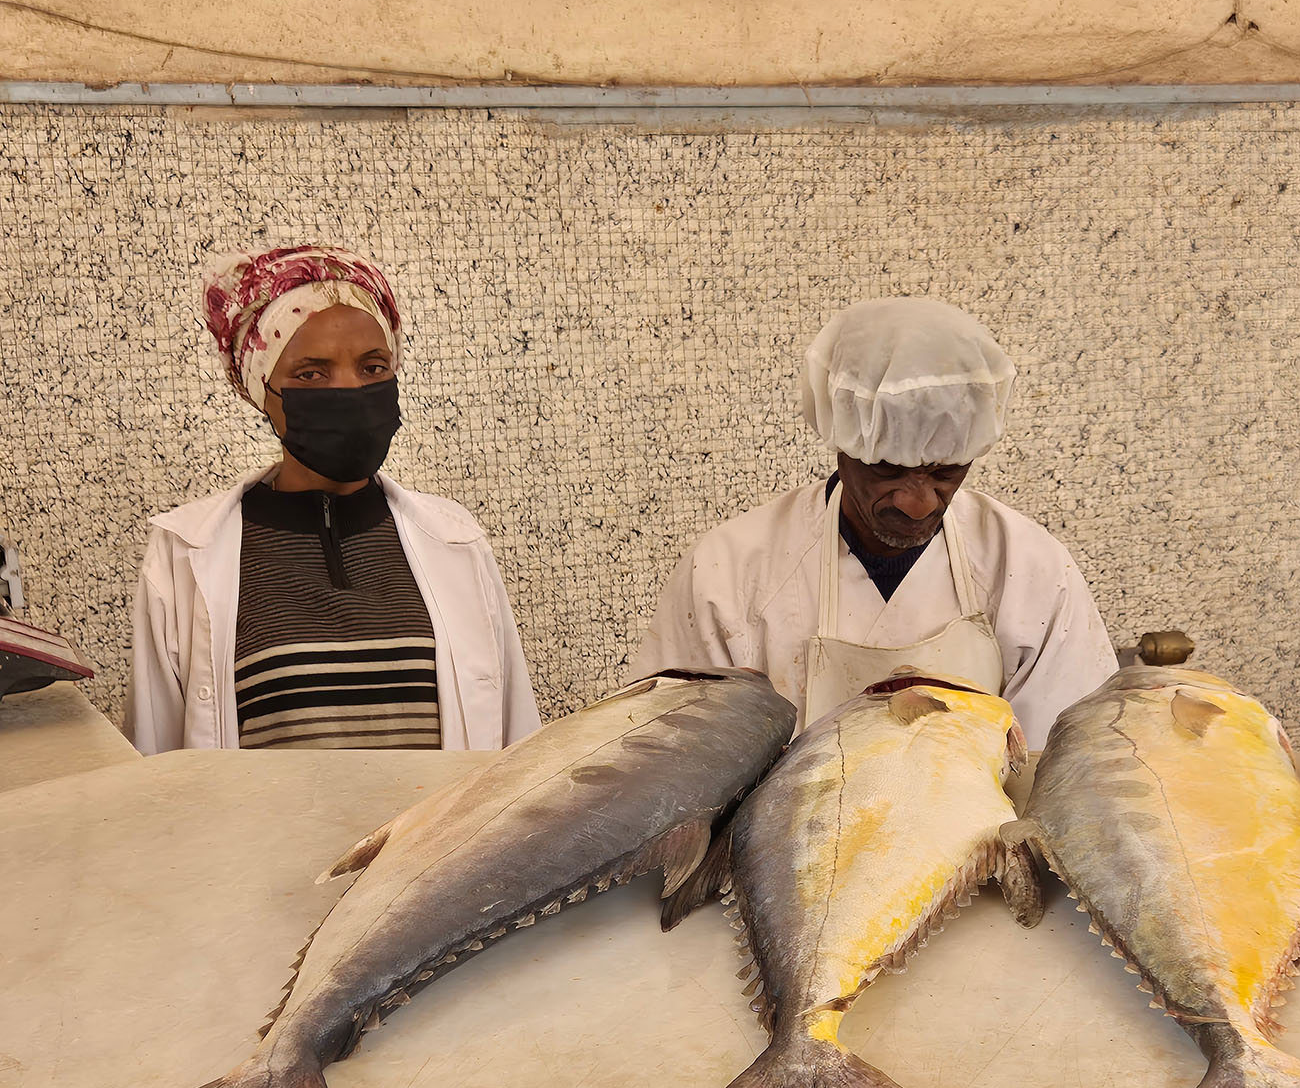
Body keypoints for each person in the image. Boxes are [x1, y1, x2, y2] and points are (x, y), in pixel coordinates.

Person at [629, 297, 1116, 744]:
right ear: (842, 440)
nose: (918, 503)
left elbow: (1065, 760)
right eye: (888, 468)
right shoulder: (729, 574)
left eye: (946, 470)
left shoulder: (1030, 569)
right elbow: (673, 757)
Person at [123, 245, 539, 754]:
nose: (349, 390)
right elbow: (159, 774)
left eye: (372, 367)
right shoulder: (182, 555)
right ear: (262, 391)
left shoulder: (456, 540)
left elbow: (518, 754)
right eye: (311, 374)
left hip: (440, 837)